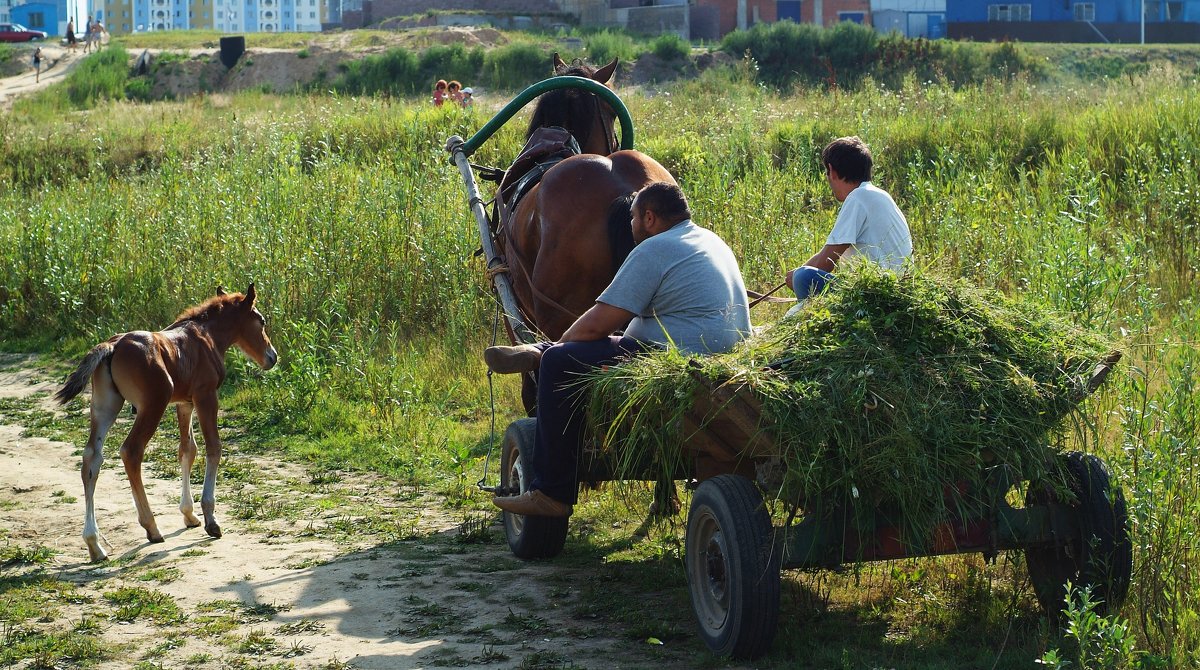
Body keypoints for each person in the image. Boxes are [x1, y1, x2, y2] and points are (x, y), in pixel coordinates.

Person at [487, 182, 752, 517]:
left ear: (650, 218)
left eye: (632, 217)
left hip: (674, 355)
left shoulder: (655, 250)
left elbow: (599, 323)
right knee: (601, 346)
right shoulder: (711, 241)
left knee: (559, 361)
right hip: (721, 354)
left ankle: (551, 492)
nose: (630, 225)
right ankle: (538, 350)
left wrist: (560, 347)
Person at [787, 136, 912, 300]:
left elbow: (827, 261)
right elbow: (829, 251)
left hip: (876, 295)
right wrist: (798, 271)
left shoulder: (858, 198)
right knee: (802, 274)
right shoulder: (877, 195)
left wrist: (796, 277)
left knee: (804, 278)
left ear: (832, 171)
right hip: (894, 291)